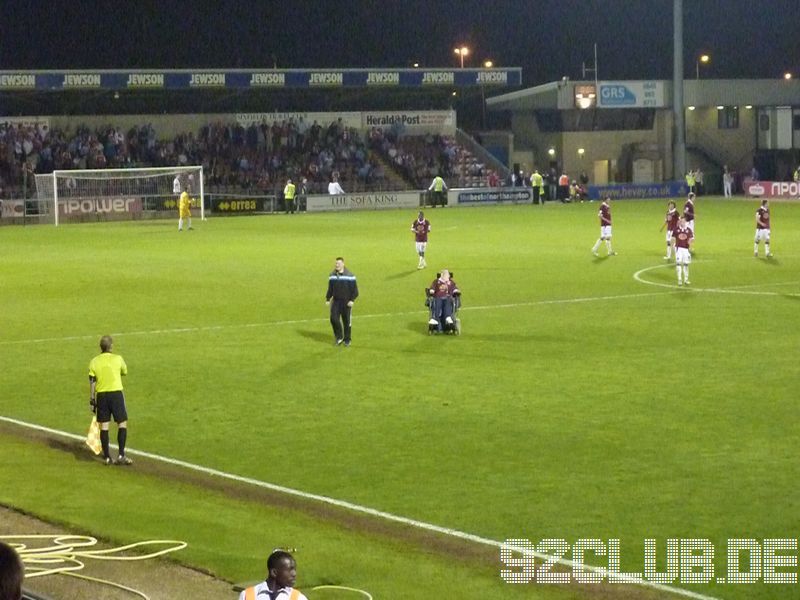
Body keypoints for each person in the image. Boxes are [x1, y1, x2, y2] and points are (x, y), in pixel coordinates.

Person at [89, 335, 132, 465]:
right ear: (111, 346)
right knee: (122, 423)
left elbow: (92, 381)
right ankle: (121, 455)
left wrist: (92, 399)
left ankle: (107, 457)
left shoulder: (94, 361)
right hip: (116, 393)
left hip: (101, 395)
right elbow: (124, 372)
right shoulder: (118, 359)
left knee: (104, 426)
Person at [238, 550, 307, 600]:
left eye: (294, 569)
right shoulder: (247, 596)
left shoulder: (298, 598)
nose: (294, 574)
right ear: (274, 573)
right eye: (290, 570)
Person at [325, 257, 358, 347]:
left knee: (346, 321)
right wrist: (328, 298)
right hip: (336, 301)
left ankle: (347, 339)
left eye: (339, 263)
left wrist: (352, 300)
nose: (337, 265)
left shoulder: (350, 276)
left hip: (346, 302)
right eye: (336, 263)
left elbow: (355, 291)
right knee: (333, 319)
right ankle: (339, 337)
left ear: (343, 264)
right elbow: (330, 288)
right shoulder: (332, 275)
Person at [672, 216, 694, 286]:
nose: (682, 222)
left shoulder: (689, 230)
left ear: (685, 222)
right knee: (678, 264)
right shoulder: (676, 229)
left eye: (683, 221)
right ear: (680, 222)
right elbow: (673, 238)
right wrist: (673, 245)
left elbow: (691, 239)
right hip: (678, 249)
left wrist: (690, 246)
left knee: (686, 264)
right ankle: (679, 279)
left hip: (686, 249)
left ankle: (686, 279)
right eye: (681, 221)